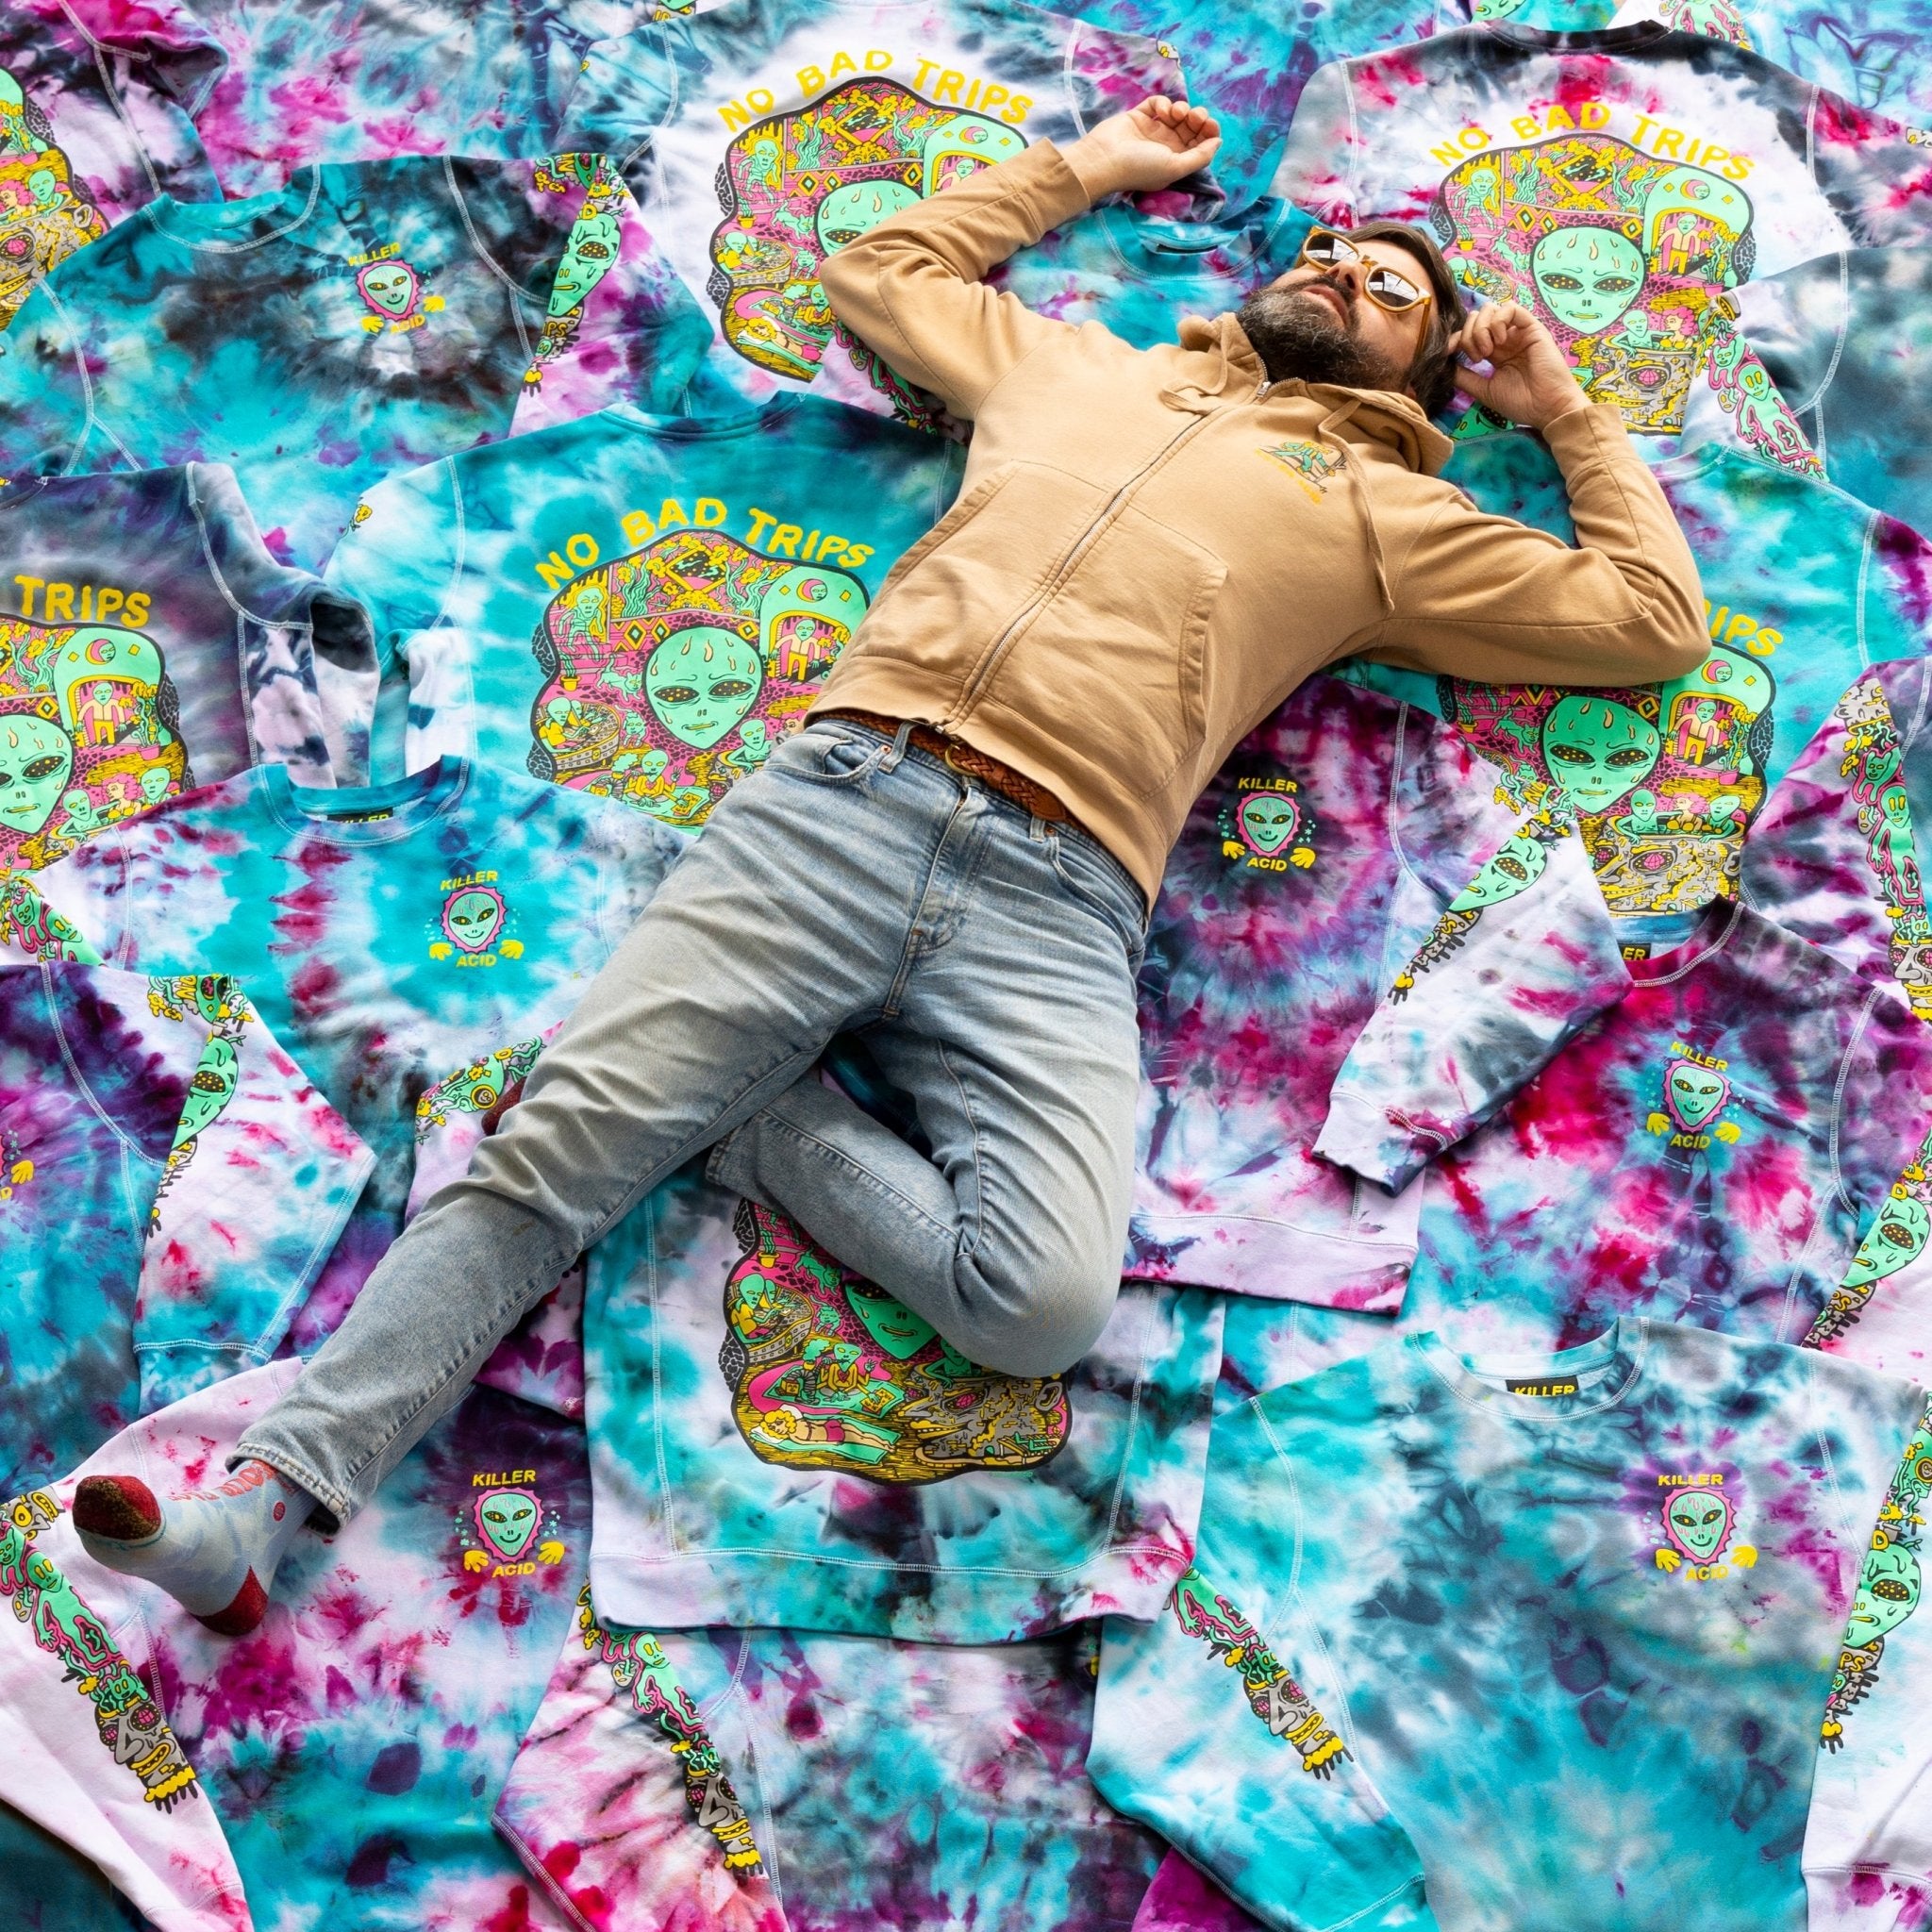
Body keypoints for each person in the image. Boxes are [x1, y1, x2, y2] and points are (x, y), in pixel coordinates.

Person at [73, 97, 1707, 1634]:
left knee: (1042, 1302)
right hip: (838, 806)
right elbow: (878, 273)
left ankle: (740, 1113)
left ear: (1425, 379)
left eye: (1390, 291)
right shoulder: (1082, 368)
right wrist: (1089, 165)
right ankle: (261, 1505)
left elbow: (1652, 621)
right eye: (1331, 255)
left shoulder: (1390, 522)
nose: (1343, 274)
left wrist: (1561, 411)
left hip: (1063, 899)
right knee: (546, 1166)